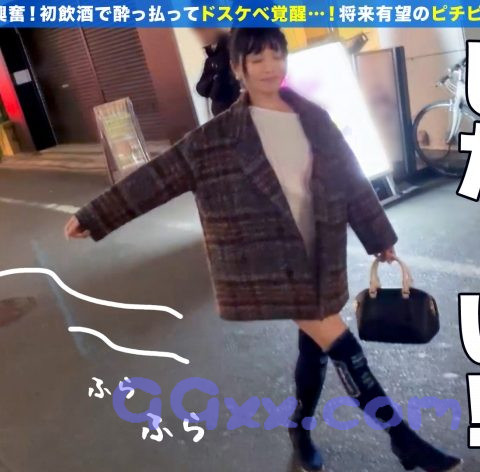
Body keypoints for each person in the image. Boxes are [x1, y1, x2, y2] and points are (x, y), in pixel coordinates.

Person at [64, 28, 462, 472]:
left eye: (277, 55)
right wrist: (95, 215)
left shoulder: (314, 118)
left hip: (320, 253)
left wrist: (379, 237)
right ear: (239, 68)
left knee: (314, 349)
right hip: (274, 264)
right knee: (344, 347)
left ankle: (299, 429)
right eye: (257, 59)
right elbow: (157, 177)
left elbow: (350, 178)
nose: (270, 67)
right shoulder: (217, 137)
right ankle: (404, 441)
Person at [192, 28, 241, 116]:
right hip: (222, 115)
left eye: (201, 31)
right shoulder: (212, 55)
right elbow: (200, 88)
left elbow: (227, 87)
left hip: (235, 113)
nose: (200, 37)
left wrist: (214, 84)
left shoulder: (230, 48)